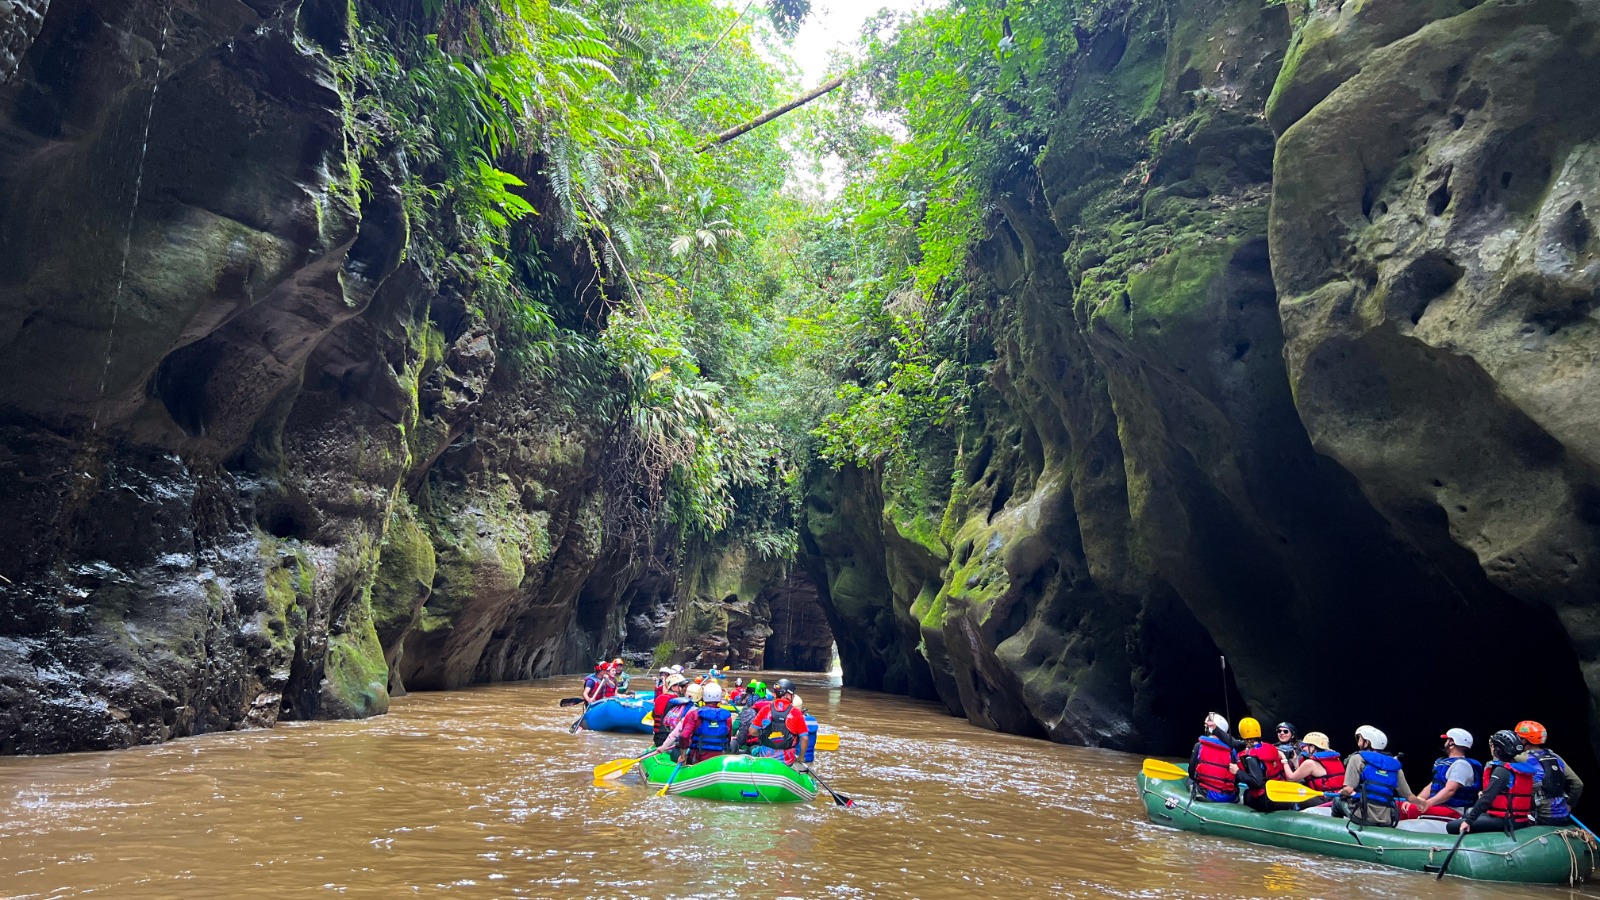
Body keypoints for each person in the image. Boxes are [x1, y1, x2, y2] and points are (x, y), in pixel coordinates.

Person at [1449, 729, 1541, 835]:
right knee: (1467, 814)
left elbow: (1486, 799)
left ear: (1498, 749)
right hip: (1519, 819)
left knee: (1452, 825)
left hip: (1506, 820)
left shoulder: (1502, 770)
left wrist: (1468, 822)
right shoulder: (1520, 769)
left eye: (1493, 746)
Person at [1334, 725, 1424, 827]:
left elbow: (1348, 790)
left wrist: (1341, 793)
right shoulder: (1395, 767)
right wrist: (1423, 803)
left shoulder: (1357, 758)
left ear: (1367, 742)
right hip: (1386, 819)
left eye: (1360, 738)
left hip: (1362, 815)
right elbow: (1410, 797)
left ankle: (1334, 832)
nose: (1358, 741)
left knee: (1337, 801)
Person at [1401, 728, 1481, 820]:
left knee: (1412, 809)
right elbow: (1432, 785)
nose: (1445, 742)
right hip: (1440, 806)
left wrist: (1428, 803)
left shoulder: (1461, 764)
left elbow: (1450, 790)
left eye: (1447, 740)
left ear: (1452, 742)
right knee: (1400, 805)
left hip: (1454, 809)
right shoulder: (1445, 762)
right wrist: (1417, 801)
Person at [1515, 720, 1583, 827]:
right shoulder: (1555, 756)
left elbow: (1499, 762)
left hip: (1541, 817)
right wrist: (1569, 805)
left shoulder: (1521, 758)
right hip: (1563, 816)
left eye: (1518, 737)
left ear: (1524, 740)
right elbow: (1578, 784)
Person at [659, 682, 736, 765]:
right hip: (719, 758)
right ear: (720, 699)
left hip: (698, 757)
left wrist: (683, 756)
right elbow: (727, 738)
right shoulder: (727, 717)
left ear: (703, 697)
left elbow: (684, 736)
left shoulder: (694, 714)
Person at [1231, 717, 1291, 812]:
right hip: (1279, 793)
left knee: (1246, 794)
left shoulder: (1249, 756)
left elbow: (1256, 782)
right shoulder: (1270, 747)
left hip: (1267, 800)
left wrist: (1237, 771)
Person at [1188, 712, 1239, 803]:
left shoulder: (1199, 746)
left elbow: (1191, 772)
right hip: (1227, 796)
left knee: (1189, 780)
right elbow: (1236, 777)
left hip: (1206, 793)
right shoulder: (1232, 751)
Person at [749, 691, 808, 765]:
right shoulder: (796, 713)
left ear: (775, 694)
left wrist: (762, 734)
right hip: (787, 759)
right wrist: (801, 757)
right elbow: (805, 739)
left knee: (753, 749)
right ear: (787, 695)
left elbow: (752, 731)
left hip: (765, 755)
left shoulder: (765, 709)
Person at [652, 674, 691, 748]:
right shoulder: (676, 701)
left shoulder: (660, 698)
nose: (684, 689)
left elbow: (653, 715)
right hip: (668, 739)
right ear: (673, 687)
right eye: (682, 686)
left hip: (658, 737)